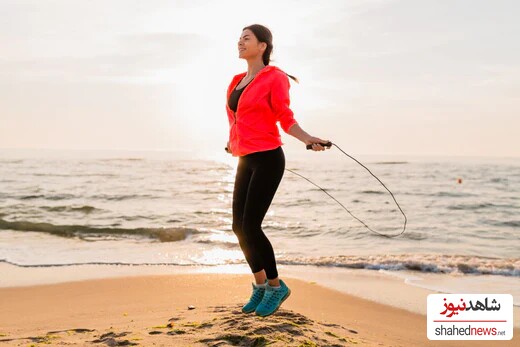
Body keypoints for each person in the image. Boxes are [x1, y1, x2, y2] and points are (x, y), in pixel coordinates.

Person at [225, 24, 329, 317]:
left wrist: (308, 138)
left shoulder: (274, 77)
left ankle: (276, 286)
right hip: (246, 158)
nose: (240, 42)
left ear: (263, 46)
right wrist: (231, 144)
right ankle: (259, 288)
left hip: (269, 158)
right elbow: (236, 120)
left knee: (251, 226)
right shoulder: (235, 81)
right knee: (238, 226)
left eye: (247, 38)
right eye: (239, 38)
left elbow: (284, 116)